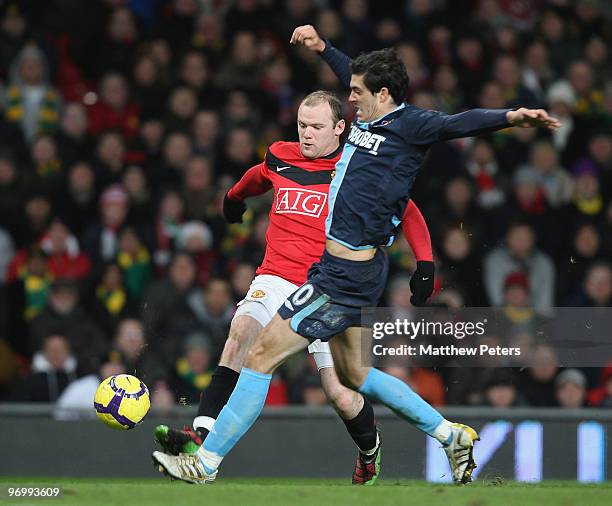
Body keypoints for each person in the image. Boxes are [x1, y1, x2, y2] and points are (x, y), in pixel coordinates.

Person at [152, 27, 559, 485]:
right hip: (347, 270)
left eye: (358, 93)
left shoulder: (410, 125)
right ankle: (449, 435)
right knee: (356, 375)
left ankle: (204, 464)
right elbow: (350, 71)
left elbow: (458, 122)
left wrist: (511, 116)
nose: (351, 98)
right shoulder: (366, 118)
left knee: (261, 354)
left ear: (382, 95)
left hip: (343, 276)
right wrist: (322, 47)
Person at [154, 90, 435, 486]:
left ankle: (369, 451)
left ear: (340, 128)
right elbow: (257, 176)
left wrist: (424, 262)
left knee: (341, 393)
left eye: (317, 127)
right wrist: (234, 198)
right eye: (302, 125)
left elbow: (407, 210)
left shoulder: (358, 166)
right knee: (240, 333)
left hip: (326, 286)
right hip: (274, 276)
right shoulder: (281, 155)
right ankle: (201, 435)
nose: (306, 134)